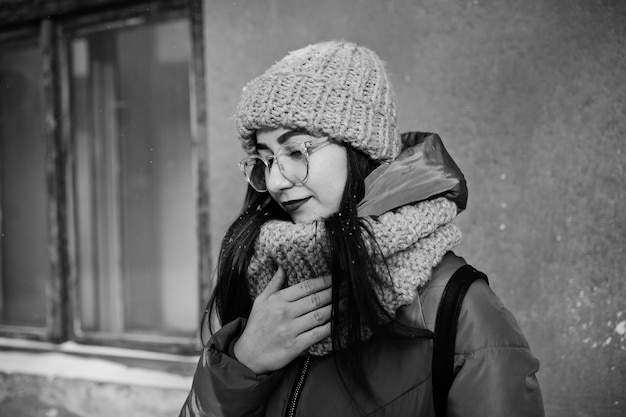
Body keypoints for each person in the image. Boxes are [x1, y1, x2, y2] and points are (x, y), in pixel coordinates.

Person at [179, 40, 544, 417]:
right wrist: (242, 365)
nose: (276, 181)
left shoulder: (462, 311)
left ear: (361, 150)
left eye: (296, 151)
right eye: (267, 159)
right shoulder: (262, 286)